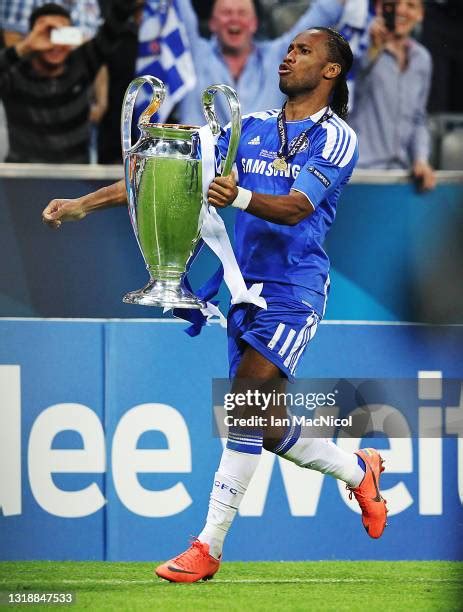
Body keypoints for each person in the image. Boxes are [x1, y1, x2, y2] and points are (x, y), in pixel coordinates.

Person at [42, 27, 388, 582]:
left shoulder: (337, 137)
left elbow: (298, 207)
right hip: (243, 291)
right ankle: (358, 469)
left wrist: (242, 196)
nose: (287, 55)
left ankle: (207, 548)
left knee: (245, 406)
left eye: (303, 50)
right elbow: (162, 165)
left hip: (294, 290)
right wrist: (83, 204)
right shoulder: (246, 130)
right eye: (288, 47)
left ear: (331, 71)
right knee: (265, 425)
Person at [0, 1, 136, 163]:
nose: (55, 44)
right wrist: (24, 47)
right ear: (32, 35)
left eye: (61, 34)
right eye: (47, 33)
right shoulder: (15, 73)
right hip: (23, 177)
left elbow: (117, 19)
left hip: (76, 178)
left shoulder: (82, 63)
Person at [173, 0, 348, 125]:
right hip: (199, 170)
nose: (235, 19)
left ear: (254, 23)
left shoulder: (281, 56)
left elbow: (322, 14)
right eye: (226, 13)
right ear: (212, 23)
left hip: (261, 170)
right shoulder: (192, 55)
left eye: (242, 13)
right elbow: (181, 8)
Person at [348, 0, 436, 190]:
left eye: (411, 5)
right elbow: (354, 81)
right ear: (380, 7)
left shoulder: (423, 59)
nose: (401, 10)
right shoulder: (358, 47)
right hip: (360, 174)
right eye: (395, 4)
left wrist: (421, 159)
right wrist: (373, 49)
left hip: (400, 175)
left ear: (420, 14)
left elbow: (419, 118)